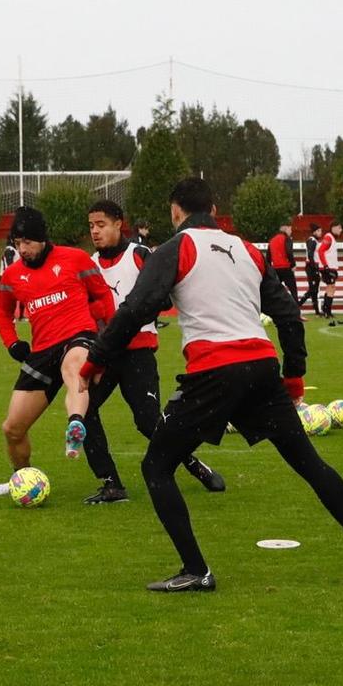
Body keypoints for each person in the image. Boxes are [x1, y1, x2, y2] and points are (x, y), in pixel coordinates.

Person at [81, 176, 343, 592]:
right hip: (262, 367)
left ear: (176, 212)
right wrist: (294, 376)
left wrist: (94, 360)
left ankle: (197, 570)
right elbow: (287, 316)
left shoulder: (177, 247)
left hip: (214, 370)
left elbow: (135, 308)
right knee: (310, 464)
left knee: (156, 466)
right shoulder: (248, 249)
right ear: (214, 211)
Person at [77, 198, 225, 504]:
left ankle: (192, 462)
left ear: (119, 224)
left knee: (148, 422)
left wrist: (138, 310)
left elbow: (166, 298)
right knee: (83, 409)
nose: (95, 231)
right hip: (104, 353)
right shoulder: (89, 265)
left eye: (101, 225)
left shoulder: (140, 255)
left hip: (138, 353)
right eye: (91, 226)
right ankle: (111, 483)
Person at [0, 205, 115, 495]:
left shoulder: (75, 259)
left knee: (74, 369)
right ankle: (22, 479)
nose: (22, 249)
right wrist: (12, 343)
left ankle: (75, 427)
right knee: (12, 428)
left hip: (78, 336)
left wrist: (108, 341)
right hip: (42, 350)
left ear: (42, 238)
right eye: (17, 243)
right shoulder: (13, 275)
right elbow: (0, 310)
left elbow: (102, 294)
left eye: (28, 242)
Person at [315, 222, 343, 319]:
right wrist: (325, 265)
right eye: (339, 228)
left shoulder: (332, 238)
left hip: (330, 267)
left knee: (331, 288)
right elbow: (321, 250)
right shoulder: (329, 237)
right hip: (328, 267)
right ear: (333, 228)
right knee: (331, 287)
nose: (341, 230)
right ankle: (327, 311)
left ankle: (326, 309)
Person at [266, 221, 298, 304]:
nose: (291, 231)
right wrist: (293, 264)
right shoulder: (287, 239)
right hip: (286, 267)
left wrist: (269, 269)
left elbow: (268, 257)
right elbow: (289, 252)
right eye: (290, 229)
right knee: (293, 289)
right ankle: (296, 309)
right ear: (286, 228)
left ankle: (274, 307)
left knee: (275, 290)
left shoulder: (272, 240)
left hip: (276, 269)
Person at [299, 223, 323, 315]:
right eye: (319, 231)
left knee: (315, 290)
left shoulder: (315, 241)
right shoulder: (312, 240)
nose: (321, 233)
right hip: (311, 267)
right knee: (312, 289)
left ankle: (317, 311)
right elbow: (310, 255)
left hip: (313, 266)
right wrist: (315, 268)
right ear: (315, 232)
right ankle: (298, 305)